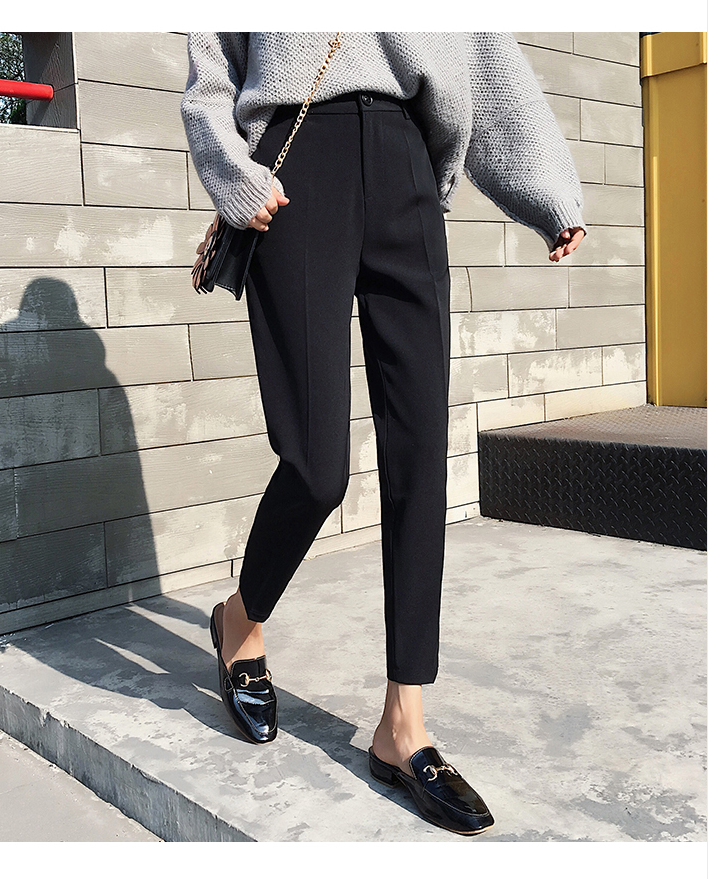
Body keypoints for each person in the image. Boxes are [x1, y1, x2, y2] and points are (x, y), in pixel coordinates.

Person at [181, 31, 586, 836]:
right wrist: (232, 174)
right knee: (317, 464)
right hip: (298, 166)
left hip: (407, 164)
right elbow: (211, 62)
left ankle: (404, 722)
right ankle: (241, 617)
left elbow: (481, 50)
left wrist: (547, 188)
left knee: (419, 456)